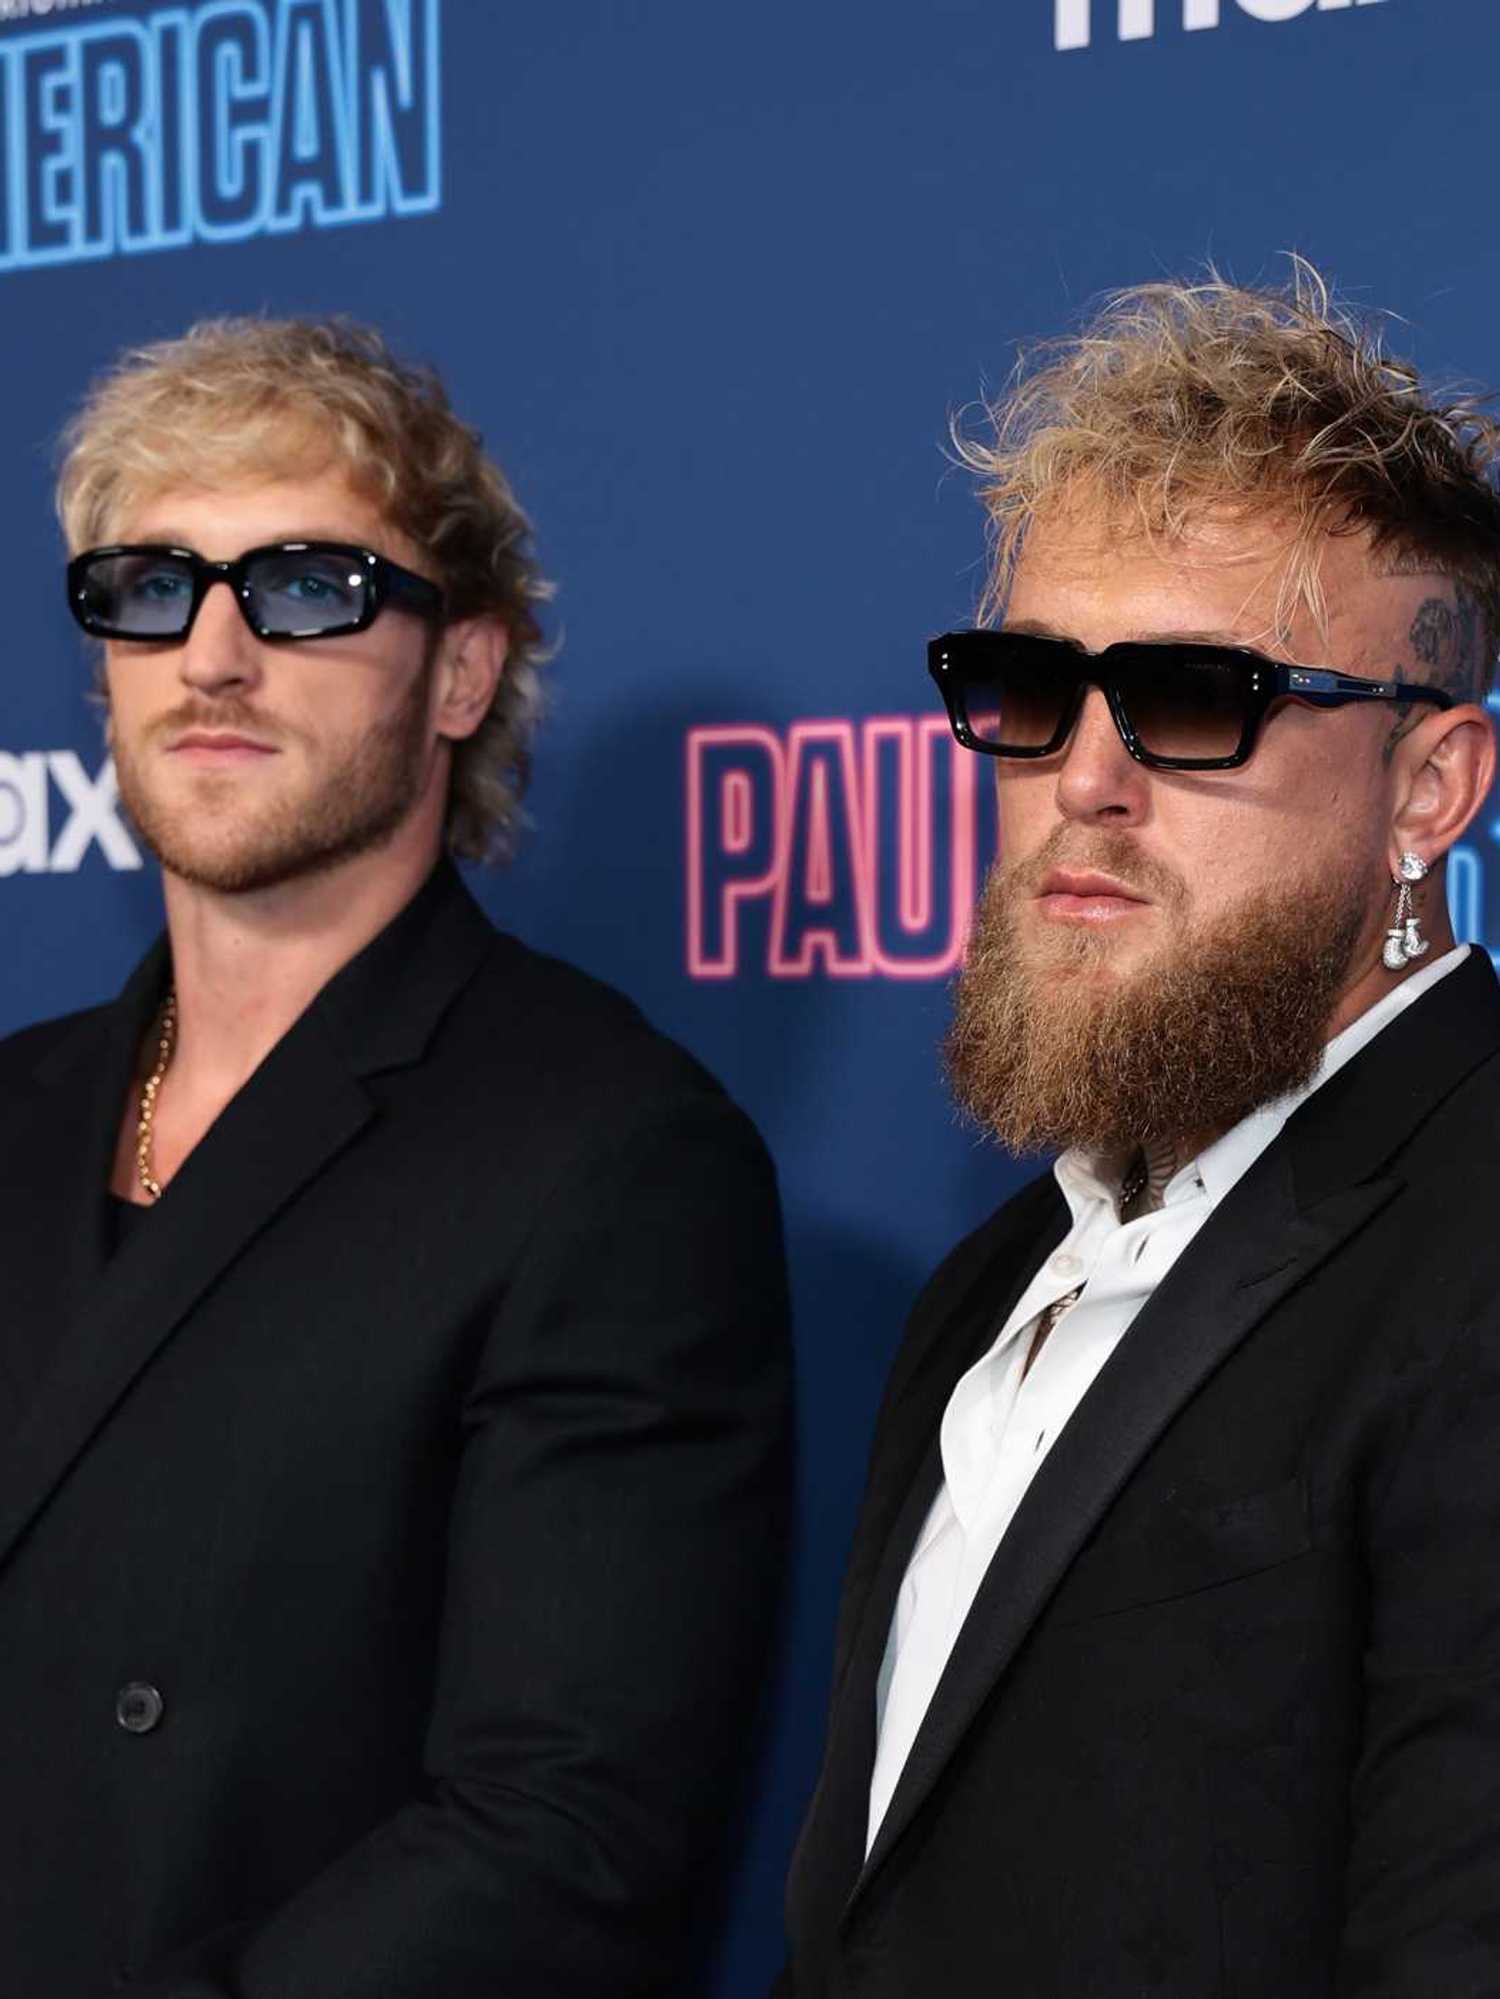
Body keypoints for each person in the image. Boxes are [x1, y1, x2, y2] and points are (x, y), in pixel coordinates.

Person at [0, 317, 792, 1998]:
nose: (213, 656)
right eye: (152, 588)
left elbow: (563, 1840)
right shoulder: (14, 1110)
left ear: (459, 673)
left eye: (304, 589)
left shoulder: (611, 1153)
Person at [778, 265, 1500, 1995]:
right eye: (1030, 686)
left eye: (1192, 699)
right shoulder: (993, 1278)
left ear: (1430, 790)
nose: (1085, 776)